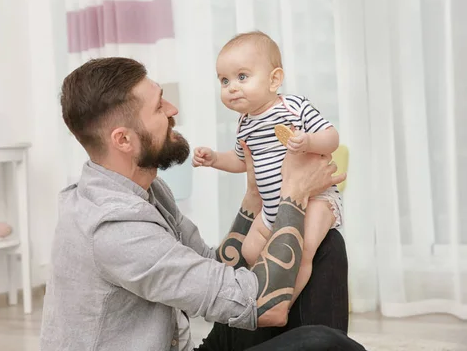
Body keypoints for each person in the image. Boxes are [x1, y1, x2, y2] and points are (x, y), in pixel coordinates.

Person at [40, 57, 365, 351]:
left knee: (326, 244)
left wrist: (253, 194)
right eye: (158, 107)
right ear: (123, 139)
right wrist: (293, 193)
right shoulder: (113, 229)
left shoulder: (143, 189)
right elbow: (266, 307)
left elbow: (221, 267)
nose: (172, 110)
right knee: (322, 345)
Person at [193, 31, 343, 305]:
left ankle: (279, 307)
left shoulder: (294, 107)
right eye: (224, 81)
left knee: (304, 248)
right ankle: (268, 294)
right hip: (272, 209)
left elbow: (332, 138)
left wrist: (308, 141)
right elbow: (241, 161)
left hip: (313, 201)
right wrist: (215, 158)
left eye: (242, 77)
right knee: (250, 252)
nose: (231, 87)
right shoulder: (245, 124)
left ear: (274, 79)